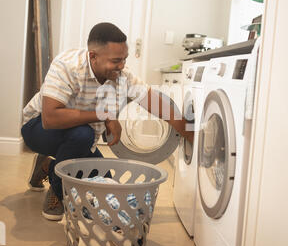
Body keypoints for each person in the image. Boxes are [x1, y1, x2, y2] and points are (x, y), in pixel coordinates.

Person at [21, 22, 193, 221]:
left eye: (124, 59)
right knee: (82, 135)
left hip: (81, 137)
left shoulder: (121, 75)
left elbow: (156, 103)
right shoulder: (67, 66)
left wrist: (190, 132)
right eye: (116, 60)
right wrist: (104, 115)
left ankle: (48, 165)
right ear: (93, 56)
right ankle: (57, 191)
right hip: (37, 128)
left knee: (107, 187)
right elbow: (50, 118)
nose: (121, 66)